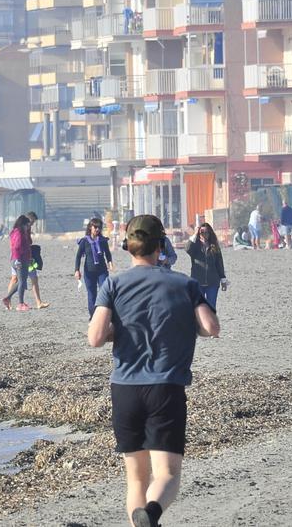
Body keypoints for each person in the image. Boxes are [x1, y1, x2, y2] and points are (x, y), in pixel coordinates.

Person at [87, 214, 220, 527]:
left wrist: (114, 332)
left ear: (129, 246)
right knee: (167, 474)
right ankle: (153, 512)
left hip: (124, 389)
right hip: (166, 387)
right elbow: (211, 327)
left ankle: (144, 519)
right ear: (160, 246)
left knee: (136, 480)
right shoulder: (184, 284)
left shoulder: (113, 284)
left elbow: (94, 338)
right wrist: (187, 326)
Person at [74, 217, 116, 318]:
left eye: (99, 227)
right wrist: (77, 270)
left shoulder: (103, 240)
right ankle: (93, 316)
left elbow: (108, 254)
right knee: (91, 295)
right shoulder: (84, 241)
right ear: (90, 228)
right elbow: (78, 256)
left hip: (102, 271)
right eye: (95, 227)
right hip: (89, 272)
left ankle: (104, 315)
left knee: (104, 291)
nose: (97, 229)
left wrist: (110, 263)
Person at [186, 223, 228, 311]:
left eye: (207, 232)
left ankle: (211, 324)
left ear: (210, 233)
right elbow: (188, 249)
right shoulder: (195, 246)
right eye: (202, 232)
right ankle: (199, 324)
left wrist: (223, 279)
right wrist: (195, 233)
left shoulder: (214, 246)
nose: (205, 234)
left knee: (211, 307)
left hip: (213, 282)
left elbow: (219, 263)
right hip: (198, 282)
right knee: (198, 307)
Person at [2, 215, 32, 311]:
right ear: (23, 224)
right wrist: (18, 260)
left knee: (21, 281)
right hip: (19, 259)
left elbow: (29, 242)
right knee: (22, 281)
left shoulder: (17, 232)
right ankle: (20, 303)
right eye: (27, 225)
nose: (28, 227)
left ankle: (7, 298)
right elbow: (16, 247)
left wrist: (28, 232)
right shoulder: (19, 233)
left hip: (18, 259)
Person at [23, 212, 50, 308]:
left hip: (26, 256)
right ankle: (9, 299)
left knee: (33, 279)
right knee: (18, 280)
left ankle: (38, 302)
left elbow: (29, 241)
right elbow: (23, 243)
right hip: (23, 257)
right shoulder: (22, 228)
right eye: (32, 221)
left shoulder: (27, 228)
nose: (33, 223)